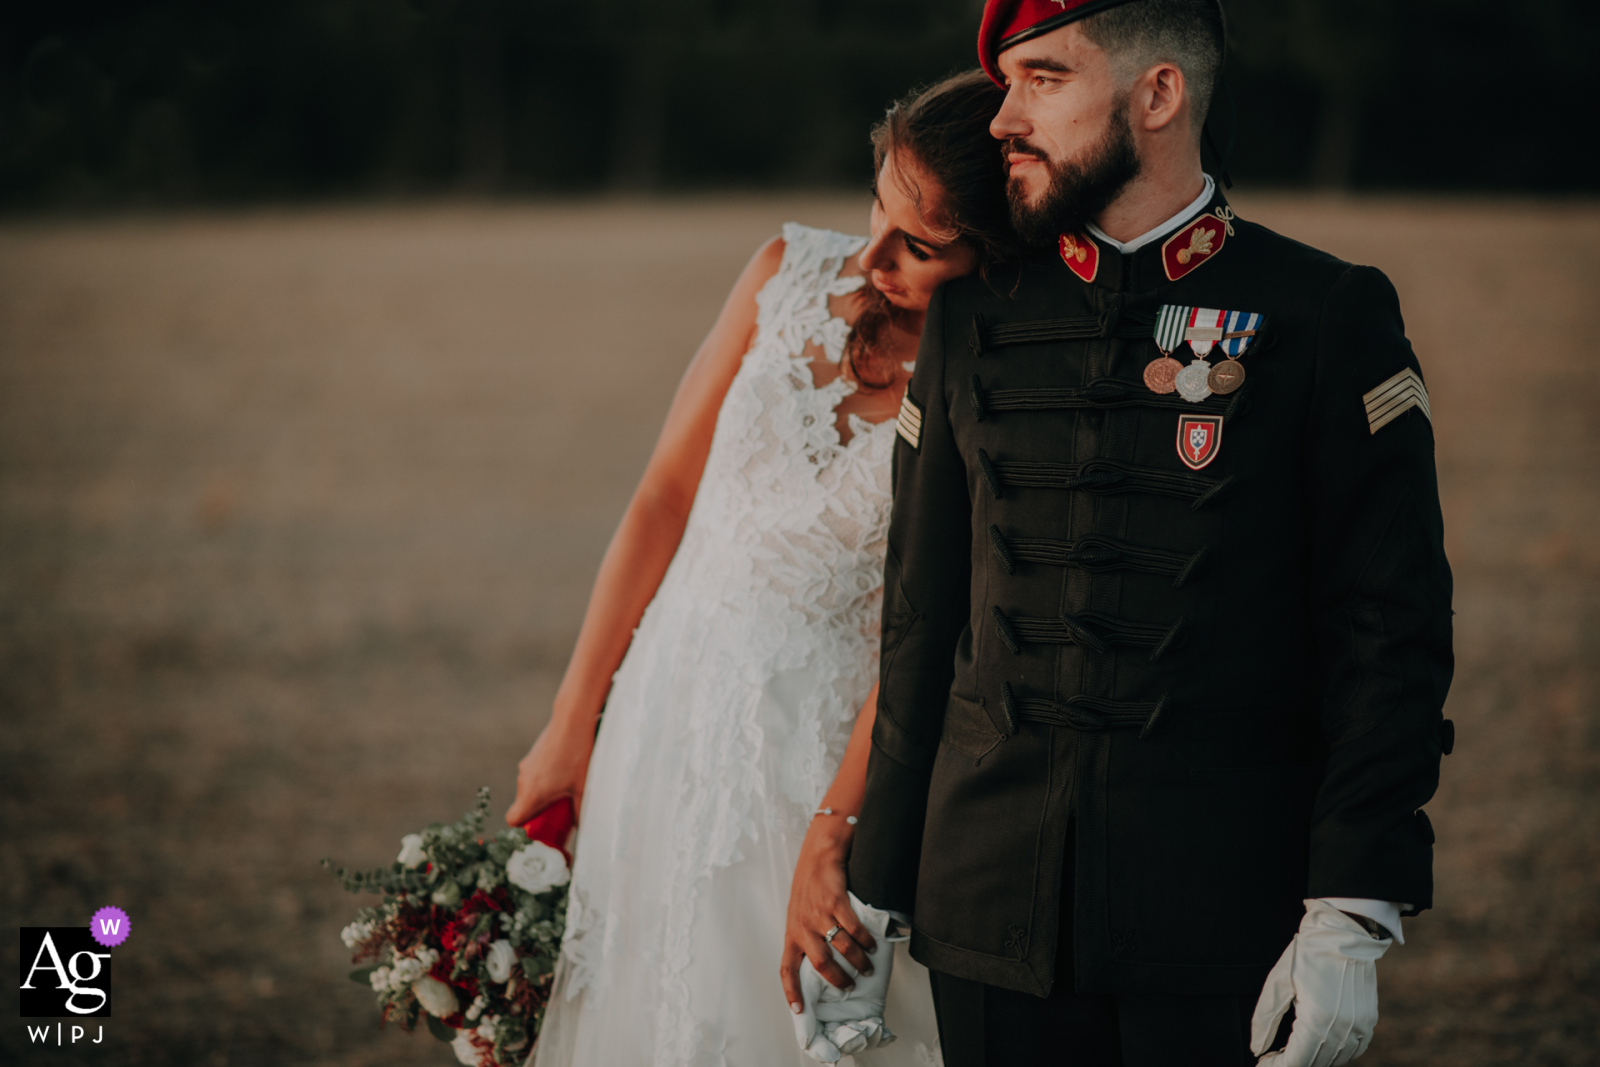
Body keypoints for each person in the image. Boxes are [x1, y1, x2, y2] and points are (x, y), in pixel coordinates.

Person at [847, 2, 1455, 1066]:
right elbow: (919, 614)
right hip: (985, 907)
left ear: (1157, 94)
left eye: (1042, 78)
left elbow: (1387, 626)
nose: (1002, 118)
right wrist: (876, 884)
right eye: (1004, 84)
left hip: (1223, 914)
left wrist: (1350, 904)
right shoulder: (972, 316)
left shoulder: (1324, 314)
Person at [505, 71, 1018, 1066]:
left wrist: (843, 820)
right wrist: (571, 725)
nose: (872, 254)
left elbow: (932, 621)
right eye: (879, 203)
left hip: (819, 762)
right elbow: (661, 496)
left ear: (993, 258)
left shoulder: (993, 384)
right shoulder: (783, 271)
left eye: (918, 244)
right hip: (660, 722)